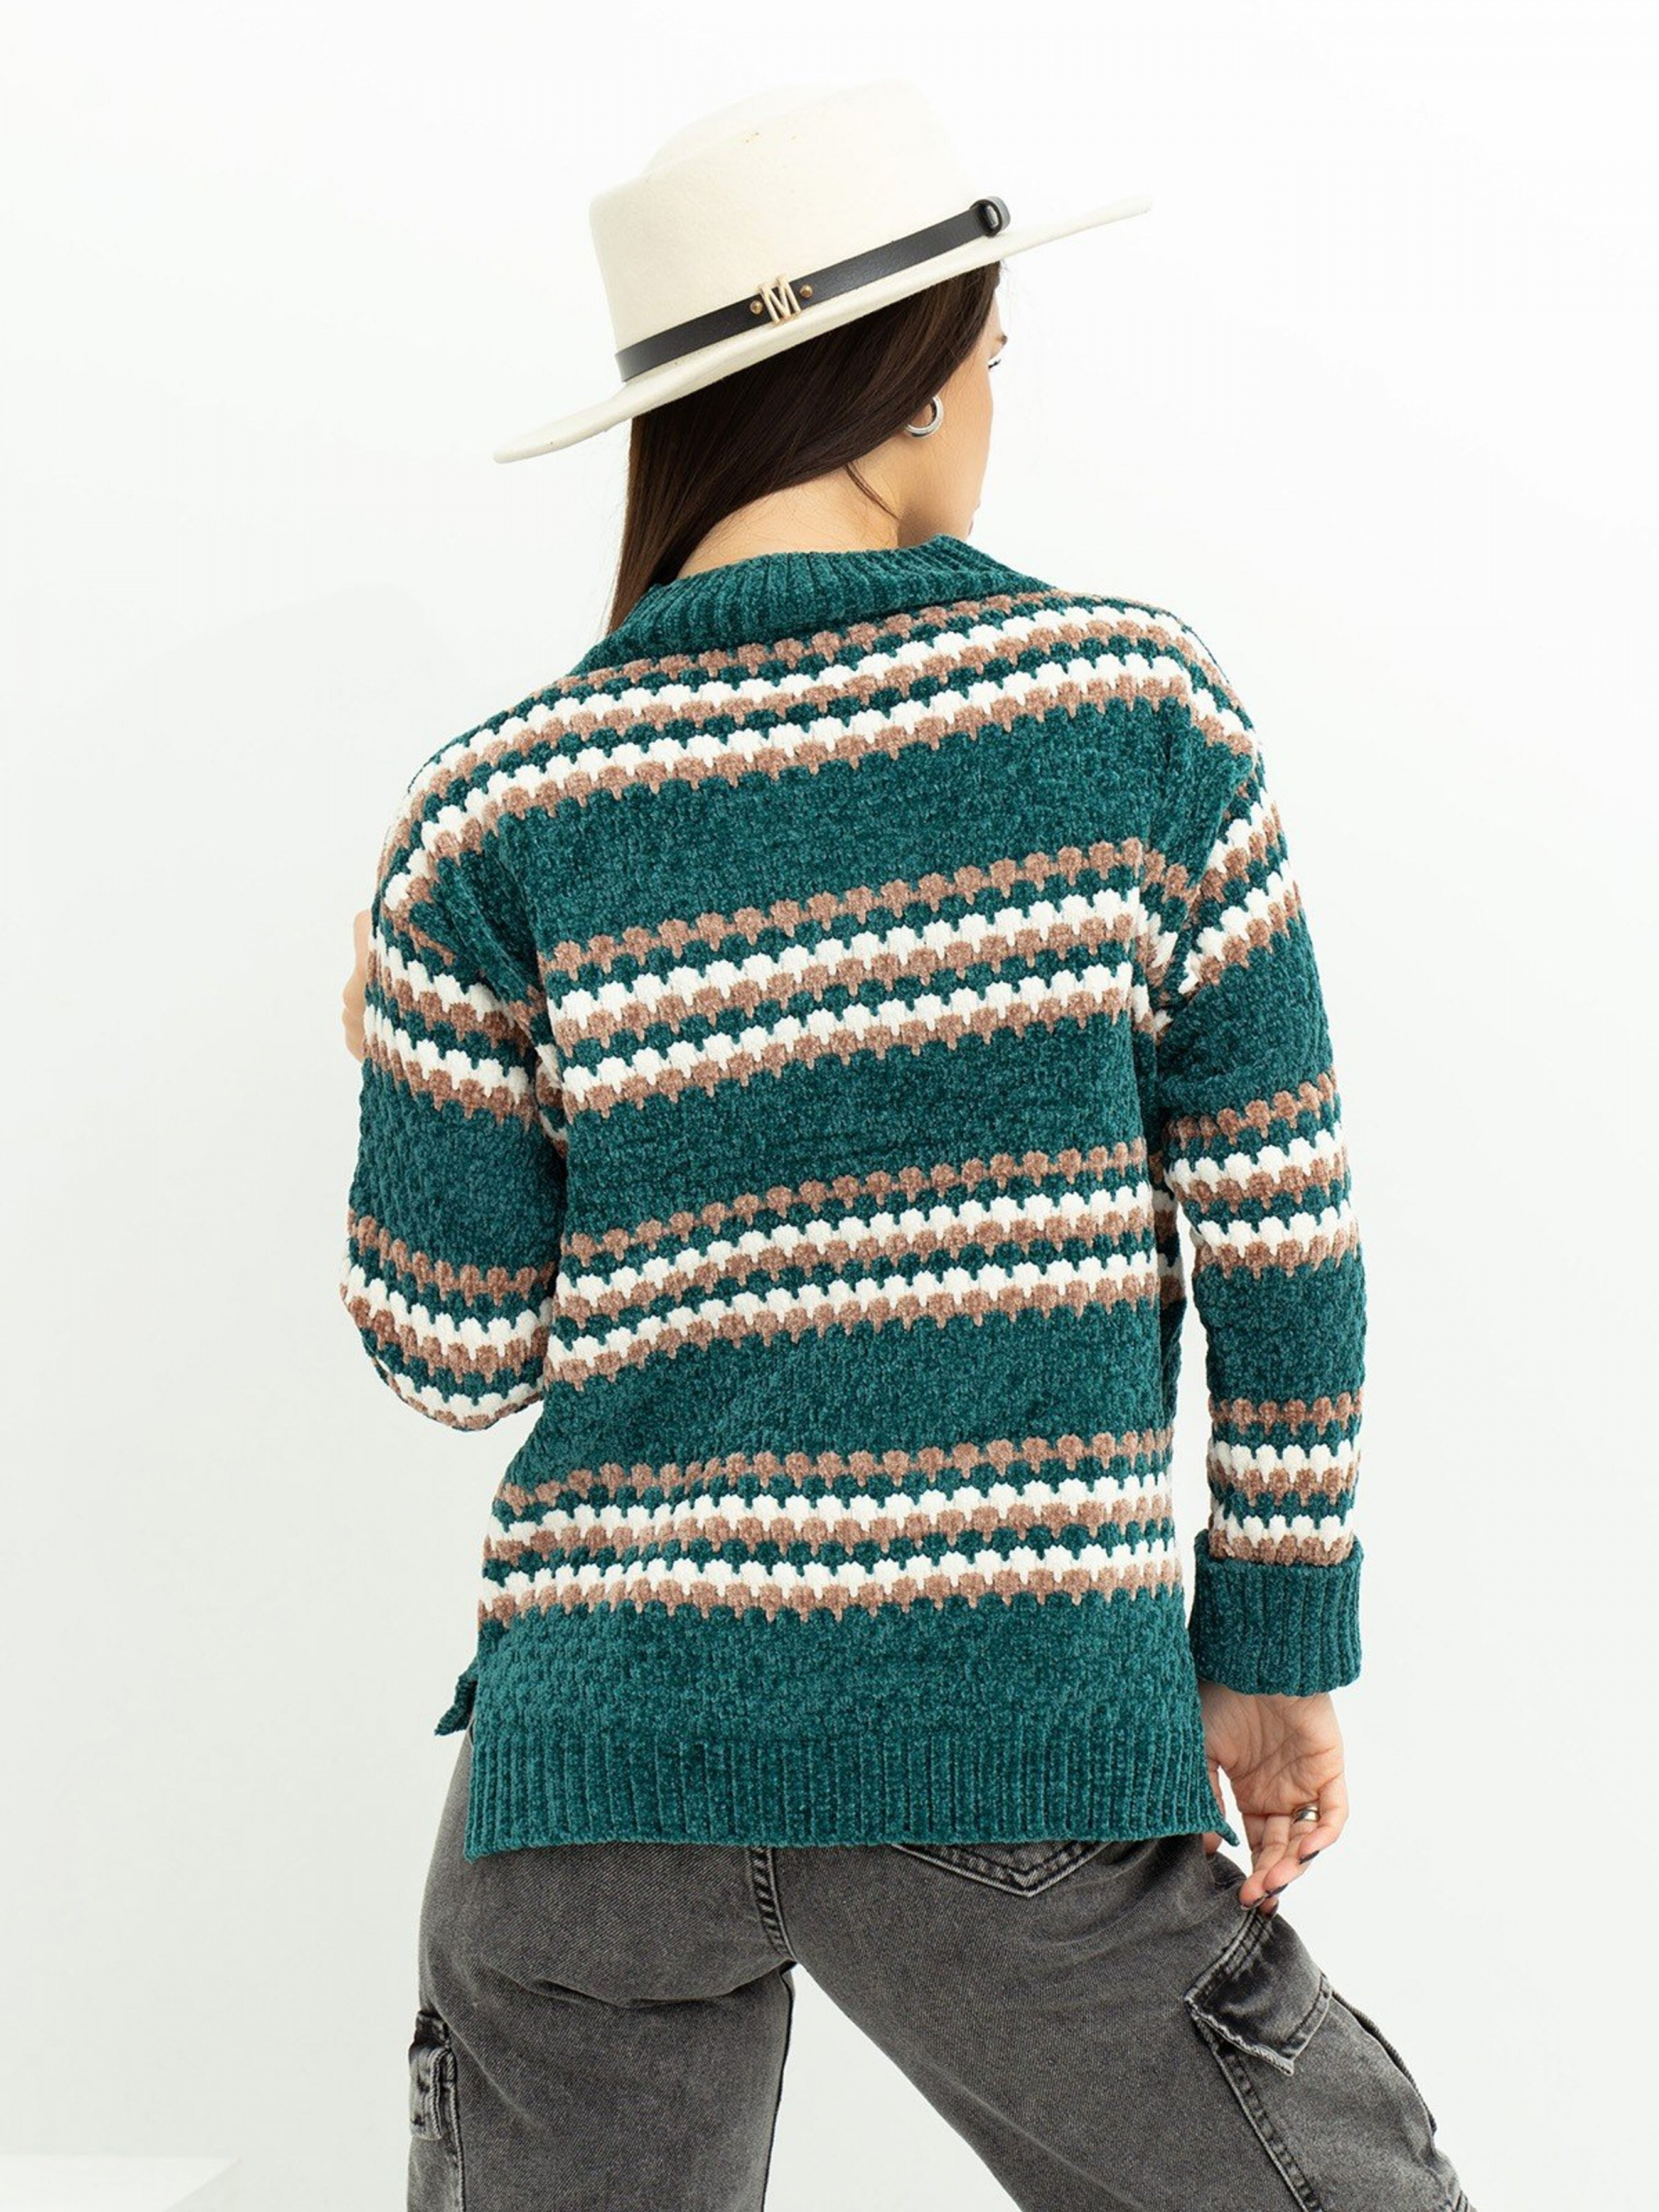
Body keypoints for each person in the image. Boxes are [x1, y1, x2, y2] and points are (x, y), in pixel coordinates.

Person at [338, 75, 1475, 2212]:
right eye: (990, 352)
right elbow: (1284, 1243)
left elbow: (450, 1347)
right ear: (902, 384)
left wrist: (403, 1048)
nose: (992, 404)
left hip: (585, 1776)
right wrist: (1272, 1647)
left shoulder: (493, 808)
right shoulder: (1132, 714)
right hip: (999, 1727)